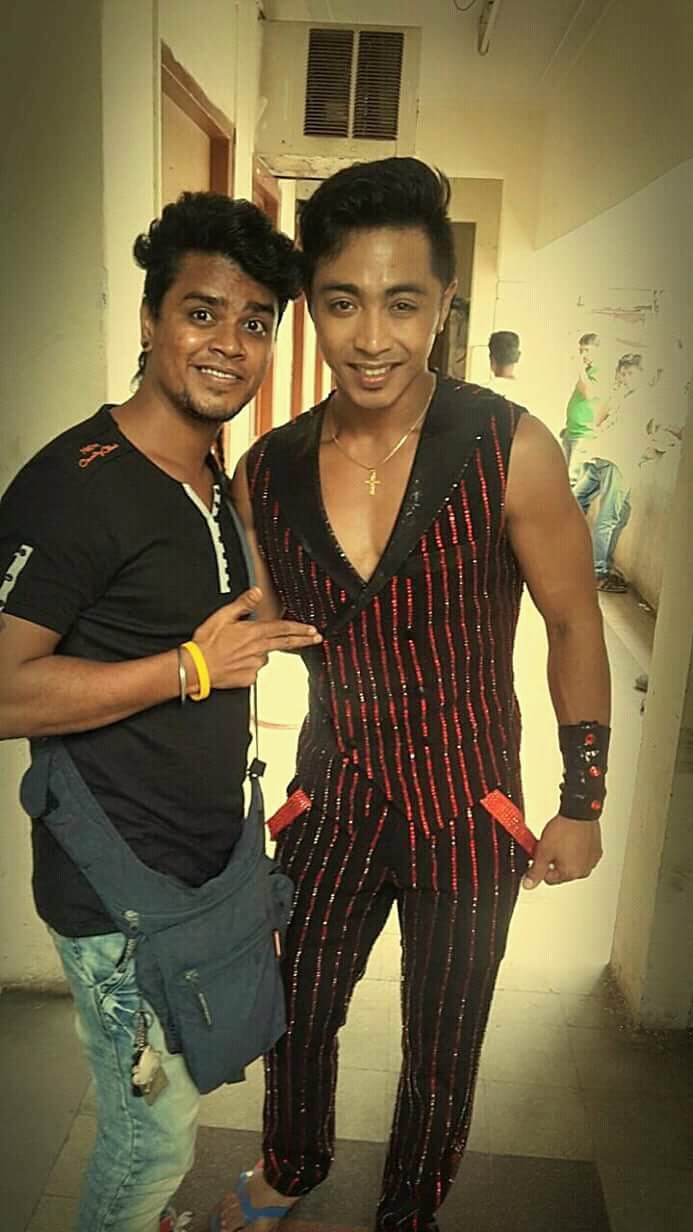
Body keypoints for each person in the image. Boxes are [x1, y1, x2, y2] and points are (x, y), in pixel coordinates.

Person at [218, 158, 611, 1232]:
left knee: (443, 1039)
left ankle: (410, 1207)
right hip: (330, 798)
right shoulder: (266, 470)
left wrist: (582, 801)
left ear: (444, 303)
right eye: (342, 301)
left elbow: (574, 621)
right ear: (310, 307)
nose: (372, 336)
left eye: (403, 302)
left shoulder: (508, 447)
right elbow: (248, 627)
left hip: (466, 806)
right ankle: (291, 1163)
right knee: (295, 1007)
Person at [0, 192, 322, 1232]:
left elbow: (233, 615)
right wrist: (188, 667)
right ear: (150, 320)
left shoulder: (209, 476)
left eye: (255, 321)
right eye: (202, 312)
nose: (230, 342)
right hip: (115, 890)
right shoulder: (76, 483)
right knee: (150, 1144)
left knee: (175, 1098)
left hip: (192, 871)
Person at [573, 352, 680, 592]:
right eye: (623, 373)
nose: (625, 378)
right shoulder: (639, 397)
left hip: (602, 456)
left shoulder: (628, 397)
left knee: (606, 509)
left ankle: (581, 556)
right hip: (615, 461)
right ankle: (597, 572)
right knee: (608, 518)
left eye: (630, 373)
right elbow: (655, 430)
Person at [560, 333, 603, 483]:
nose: (583, 355)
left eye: (587, 350)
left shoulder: (600, 371)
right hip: (572, 430)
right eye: (581, 350)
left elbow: (587, 392)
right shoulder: (588, 371)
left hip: (583, 434)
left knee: (574, 480)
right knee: (563, 477)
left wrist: (580, 368)